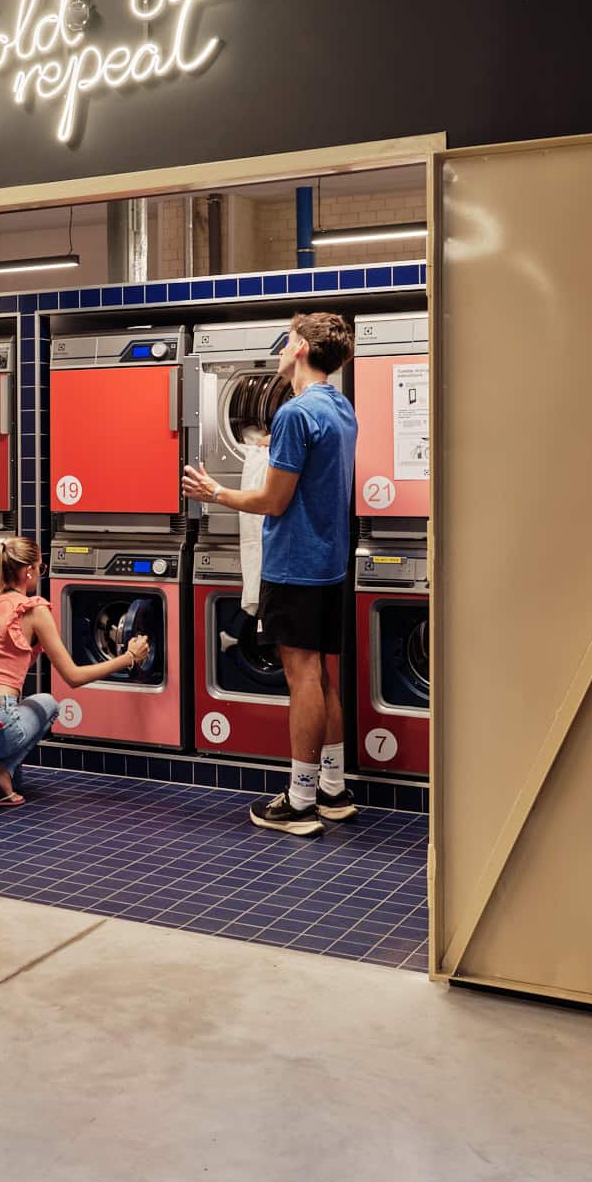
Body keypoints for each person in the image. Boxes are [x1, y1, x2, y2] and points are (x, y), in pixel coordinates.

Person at [183, 311, 358, 836]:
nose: (282, 348)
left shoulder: (294, 414)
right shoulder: (339, 408)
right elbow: (313, 475)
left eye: (287, 339)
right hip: (329, 563)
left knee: (300, 676)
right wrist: (271, 452)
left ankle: (300, 799)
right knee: (321, 674)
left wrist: (214, 492)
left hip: (295, 564)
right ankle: (332, 788)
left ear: (301, 347)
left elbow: (272, 501)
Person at [0, 536, 150, 817]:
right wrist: (129, 657)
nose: (41, 572)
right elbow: (73, 676)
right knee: (48, 703)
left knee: (15, 779)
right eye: (41, 567)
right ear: (28, 572)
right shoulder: (33, 610)